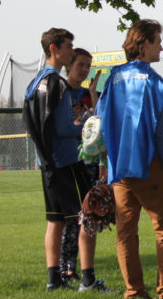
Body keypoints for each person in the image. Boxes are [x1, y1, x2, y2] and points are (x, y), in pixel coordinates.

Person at [98, 20, 163, 299]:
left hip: (118, 166)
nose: (162, 47)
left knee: (126, 233)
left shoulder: (112, 77)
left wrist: (104, 166)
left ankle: (134, 292)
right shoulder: (152, 81)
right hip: (148, 164)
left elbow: (99, 121)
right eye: (157, 41)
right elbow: (159, 132)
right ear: (144, 44)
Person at [22, 28, 111, 293]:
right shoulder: (56, 83)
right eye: (68, 47)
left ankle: (54, 280)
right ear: (54, 49)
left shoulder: (35, 82)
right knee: (87, 217)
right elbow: (63, 128)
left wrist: (42, 156)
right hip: (66, 161)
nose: (71, 51)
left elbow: (32, 123)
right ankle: (87, 279)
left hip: (48, 162)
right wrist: (92, 127)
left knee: (55, 220)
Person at [59, 48, 103, 283]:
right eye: (81, 65)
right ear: (70, 65)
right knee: (72, 217)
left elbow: (97, 122)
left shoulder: (87, 93)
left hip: (89, 162)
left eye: (88, 65)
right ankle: (66, 268)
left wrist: (94, 95)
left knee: (88, 216)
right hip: (69, 161)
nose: (85, 70)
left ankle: (80, 270)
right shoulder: (62, 92)